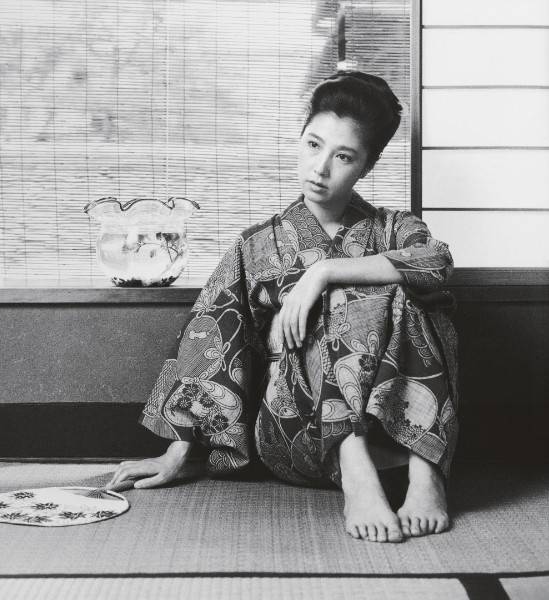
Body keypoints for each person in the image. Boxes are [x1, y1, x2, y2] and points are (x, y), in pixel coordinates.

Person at [107, 71, 459, 544]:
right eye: (313, 145)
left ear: (367, 166)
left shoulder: (394, 228)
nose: (320, 168)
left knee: (408, 292)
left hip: (394, 440)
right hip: (297, 431)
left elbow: (437, 263)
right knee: (343, 303)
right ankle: (354, 465)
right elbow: (213, 340)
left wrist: (323, 273)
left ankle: (426, 474)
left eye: (343, 156)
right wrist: (177, 453)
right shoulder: (256, 247)